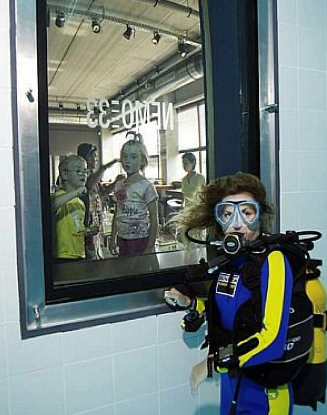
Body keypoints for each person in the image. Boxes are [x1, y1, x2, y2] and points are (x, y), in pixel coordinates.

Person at [164, 172, 297, 415]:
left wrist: (212, 362)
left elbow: (274, 340)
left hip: (266, 391)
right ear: (219, 220)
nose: (237, 223)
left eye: (246, 213)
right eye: (227, 214)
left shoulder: (274, 261)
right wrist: (192, 303)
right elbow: (230, 310)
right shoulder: (227, 261)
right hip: (233, 380)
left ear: (260, 216)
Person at [109, 134, 159, 256]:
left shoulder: (146, 186)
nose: (127, 160)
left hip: (141, 239)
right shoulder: (119, 184)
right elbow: (117, 213)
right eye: (125, 156)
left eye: (133, 157)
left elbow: (154, 218)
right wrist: (112, 238)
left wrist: (150, 246)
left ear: (142, 160)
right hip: (122, 238)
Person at [77, 143, 123, 259]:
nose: (96, 160)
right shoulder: (81, 174)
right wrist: (105, 167)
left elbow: (103, 193)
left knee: (96, 253)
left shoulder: (94, 176)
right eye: (94, 156)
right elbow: (88, 185)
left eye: (97, 157)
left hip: (96, 224)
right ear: (85, 157)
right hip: (86, 224)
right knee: (89, 256)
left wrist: (115, 183)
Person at [52, 155, 88, 261]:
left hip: (79, 254)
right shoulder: (58, 196)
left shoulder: (80, 202)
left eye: (85, 171)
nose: (84, 174)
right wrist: (76, 192)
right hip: (63, 255)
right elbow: (53, 204)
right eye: (78, 170)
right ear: (64, 174)